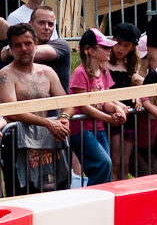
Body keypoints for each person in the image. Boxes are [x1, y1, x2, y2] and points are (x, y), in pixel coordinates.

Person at [0, 23, 70, 194]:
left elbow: (67, 101)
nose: (24, 48)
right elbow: (12, 110)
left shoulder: (47, 72)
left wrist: (64, 118)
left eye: (28, 43)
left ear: (36, 44)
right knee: (22, 195)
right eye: (18, 45)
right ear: (11, 49)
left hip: (48, 144)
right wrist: (48, 123)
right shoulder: (6, 75)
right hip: (18, 146)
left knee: (54, 192)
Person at [68, 29, 126, 184]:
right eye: (105, 47)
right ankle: (95, 196)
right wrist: (108, 118)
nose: (110, 50)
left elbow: (105, 100)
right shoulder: (80, 73)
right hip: (81, 129)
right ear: (91, 51)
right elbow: (83, 106)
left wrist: (117, 109)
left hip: (98, 127)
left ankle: (99, 195)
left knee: (105, 165)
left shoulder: (104, 72)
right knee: (103, 164)